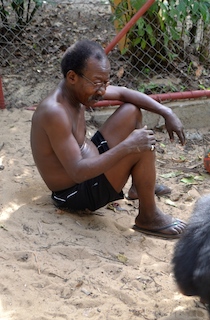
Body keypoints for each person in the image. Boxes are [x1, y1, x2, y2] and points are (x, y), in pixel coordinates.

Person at [30, 39, 187, 238]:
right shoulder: (55, 112)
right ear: (72, 77)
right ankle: (148, 217)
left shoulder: (77, 92)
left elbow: (123, 93)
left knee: (131, 111)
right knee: (141, 145)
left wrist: (166, 111)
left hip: (90, 167)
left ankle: (140, 186)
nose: (102, 91)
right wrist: (128, 146)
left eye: (106, 82)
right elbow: (77, 172)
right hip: (75, 193)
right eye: (97, 83)